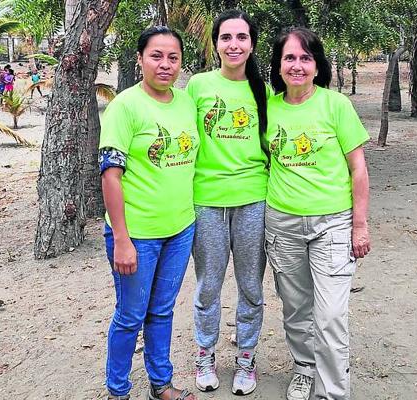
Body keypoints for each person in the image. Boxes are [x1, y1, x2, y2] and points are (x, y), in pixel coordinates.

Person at [264, 27, 371, 400]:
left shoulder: (336, 105)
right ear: (278, 65)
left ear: (316, 65)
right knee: (296, 309)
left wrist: (360, 226)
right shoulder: (268, 108)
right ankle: (304, 368)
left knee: (329, 316)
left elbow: (358, 168)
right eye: (289, 58)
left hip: (333, 224)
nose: (297, 65)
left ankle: (332, 392)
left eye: (305, 58)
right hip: (282, 224)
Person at [99, 26, 199, 400]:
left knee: (162, 311)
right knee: (130, 316)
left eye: (173, 57)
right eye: (156, 56)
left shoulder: (187, 102)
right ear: (140, 59)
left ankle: (161, 383)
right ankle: (118, 390)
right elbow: (110, 175)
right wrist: (122, 239)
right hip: (136, 233)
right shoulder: (125, 106)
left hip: (180, 228)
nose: (164, 64)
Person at [186, 9, 268, 396]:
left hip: (253, 199)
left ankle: (247, 359)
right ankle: (205, 353)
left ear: (252, 45)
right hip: (206, 200)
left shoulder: (263, 91)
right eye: (226, 37)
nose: (233, 44)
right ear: (216, 43)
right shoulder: (198, 87)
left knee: (250, 285)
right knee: (208, 286)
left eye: (241, 37)